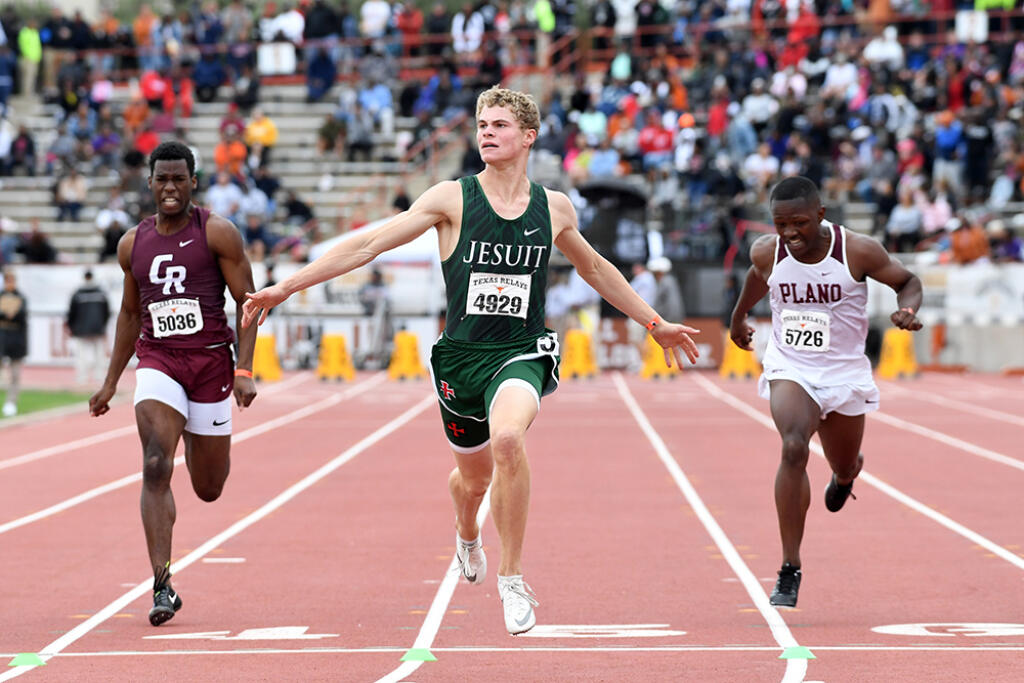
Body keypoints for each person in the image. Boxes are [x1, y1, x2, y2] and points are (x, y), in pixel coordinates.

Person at [241, 86, 700, 635]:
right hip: (460, 359)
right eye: (482, 124)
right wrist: (285, 286)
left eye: (500, 125)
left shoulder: (554, 208)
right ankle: (466, 533)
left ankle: (512, 578)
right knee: (473, 481)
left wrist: (655, 324)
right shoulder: (450, 199)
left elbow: (596, 270)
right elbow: (369, 246)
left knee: (509, 441)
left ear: (528, 136)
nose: (487, 132)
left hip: (522, 351)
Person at [729, 176, 922, 608]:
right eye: (781, 224)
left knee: (844, 459)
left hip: (844, 372)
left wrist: (907, 309)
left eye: (799, 222)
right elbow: (758, 277)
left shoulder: (857, 250)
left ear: (821, 214)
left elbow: (907, 281)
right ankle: (789, 568)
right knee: (793, 447)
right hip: (791, 365)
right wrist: (738, 317)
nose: (790, 234)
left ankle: (846, 475)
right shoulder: (767, 249)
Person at [88, 141, 258, 627]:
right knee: (156, 462)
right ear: (149, 182)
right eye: (161, 179)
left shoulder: (217, 234)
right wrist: (109, 382)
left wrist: (243, 371)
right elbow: (129, 312)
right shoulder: (131, 244)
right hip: (159, 361)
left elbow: (250, 304)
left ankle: (196, 430)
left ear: (193, 182)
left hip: (208, 366)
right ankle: (162, 584)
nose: (169, 188)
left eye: (178, 179)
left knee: (208, 488)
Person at [66, 270, 111, 386]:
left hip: (81, 329)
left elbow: (71, 313)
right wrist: (103, 325)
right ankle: (99, 377)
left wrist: (71, 326)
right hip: (97, 328)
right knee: (98, 354)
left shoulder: (78, 294)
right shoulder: (101, 293)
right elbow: (107, 312)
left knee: (82, 355)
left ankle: (82, 378)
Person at [0, 268, 28, 417]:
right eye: (7, 280)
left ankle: (11, 402)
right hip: (2, 339)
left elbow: (21, 316)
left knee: (15, 374)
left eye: (11, 280)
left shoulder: (21, 298)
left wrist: (11, 313)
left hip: (16, 341)